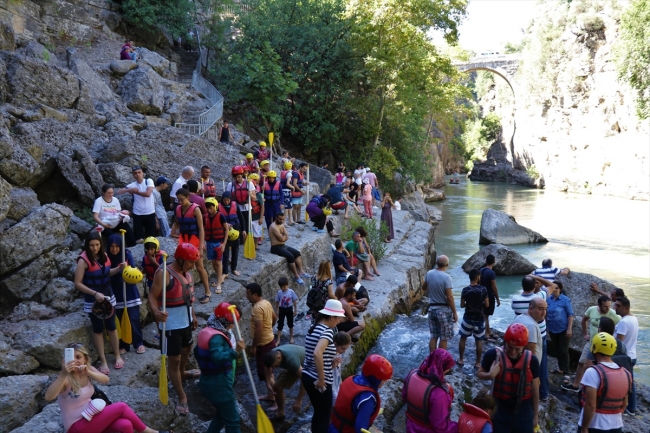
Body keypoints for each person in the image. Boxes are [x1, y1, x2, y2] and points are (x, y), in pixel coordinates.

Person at [45, 343, 169, 433]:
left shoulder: (88, 371)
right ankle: (150, 432)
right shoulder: (65, 378)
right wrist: (63, 373)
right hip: (76, 427)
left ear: (85, 359)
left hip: (92, 418)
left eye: (78, 357)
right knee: (121, 406)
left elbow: (106, 379)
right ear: (65, 360)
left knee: (126, 425)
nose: (75, 361)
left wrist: (89, 372)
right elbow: (49, 397)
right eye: (72, 358)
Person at [148, 242, 200, 416]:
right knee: (174, 360)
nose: (193, 266)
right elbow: (152, 297)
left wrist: (193, 315)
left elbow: (188, 298)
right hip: (170, 325)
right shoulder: (164, 274)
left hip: (185, 321)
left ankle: (183, 373)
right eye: (190, 262)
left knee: (187, 350)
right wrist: (156, 311)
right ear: (180, 259)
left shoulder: (188, 275)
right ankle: (181, 395)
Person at [74, 231, 125, 374]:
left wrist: (119, 268)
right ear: (87, 245)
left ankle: (117, 355)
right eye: (91, 245)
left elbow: (106, 273)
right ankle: (103, 360)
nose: (95, 248)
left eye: (97, 245)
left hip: (108, 295)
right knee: (97, 329)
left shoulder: (105, 256)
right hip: (93, 299)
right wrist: (95, 293)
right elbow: (78, 283)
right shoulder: (83, 261)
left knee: (112, 326)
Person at [477, 324, 540, 433]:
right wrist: (490, 375)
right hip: (499, 408)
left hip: (523, 409)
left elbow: (535, 389)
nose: (513, 351)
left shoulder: (532, 361)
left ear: (524, 346)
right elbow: (480, 373)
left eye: (517, 349)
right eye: (510, 347)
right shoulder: (493, 355)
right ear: (505, 341)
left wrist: (535, 415)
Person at [195, 303, 246, 433]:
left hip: (207, 381)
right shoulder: (217, 337)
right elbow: (218, 357)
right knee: (233, 421)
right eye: (232, 323)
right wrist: (236, 351)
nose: (233, 326)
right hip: (219, 385)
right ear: (224, 321)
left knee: (222, 415)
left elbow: (197, 353)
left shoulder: (206, 331)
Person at [303, 299, 346, 433]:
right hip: (318, 380)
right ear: (332, 317)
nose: (339, 321)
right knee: (324, 415)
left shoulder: (314, 328)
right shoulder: (327, 331)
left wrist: (330, 364)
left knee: (318, 413)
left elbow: (316, 354)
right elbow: (317, 353)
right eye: (338, 318)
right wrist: (322, 379)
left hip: (307, 375)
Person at [562, 295, 621, 393]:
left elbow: (621, 325)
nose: (608, 309)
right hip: (592, 342)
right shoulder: (592, 310)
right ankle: (576, 385)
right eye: (605, 306)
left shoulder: (613, 314)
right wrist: (585, 334)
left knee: (590, 366)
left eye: (609, 306)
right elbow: (584, 320)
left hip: (604, 346)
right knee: (581, 363)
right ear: (599, 305)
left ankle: (590, 389)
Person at [578, 333, 632, 433]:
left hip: (594, 426)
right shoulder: (626, 373)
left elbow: (590, 405)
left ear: (594, 348)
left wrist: (584, 428)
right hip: (616, 426)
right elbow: (625, 404)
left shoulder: (592, 372)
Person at [329, 354, 392, 433]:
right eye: (383, 380)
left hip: (333, 427)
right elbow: (360, 428)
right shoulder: (368, 398)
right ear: (375, 379)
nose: (385, 382)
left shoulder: (352, 379)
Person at [171, 188, 211, 304]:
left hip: (195, 240)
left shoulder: (196, 209)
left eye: (182, 199)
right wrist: (172, 234)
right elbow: (176, 222)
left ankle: (208, 292)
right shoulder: (178, 208)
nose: (180, 202)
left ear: (188, 197)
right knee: (182, 266)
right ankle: (184, 292)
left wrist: (200, 247)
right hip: (184, 241)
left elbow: (201, 229)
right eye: (178, 200)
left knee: (199, 267)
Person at [402, 348, 457, 433]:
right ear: (444, 368)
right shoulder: (440, 393)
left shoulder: (412, 374)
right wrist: (458, 427)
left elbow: (404, 397)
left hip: (410, 426)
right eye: (448, 367)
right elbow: (439, 425)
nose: (449, 369)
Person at [106, 234, 144, 355]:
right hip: (116, 292)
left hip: (129, 291)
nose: (114, 249)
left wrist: (126, 269)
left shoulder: (126, 254)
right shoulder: (106, 257)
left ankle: (138, 343)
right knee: (120, 318)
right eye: (112, 246)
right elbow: (106, 273)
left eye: (117, 246)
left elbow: (133, 269)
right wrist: (117, 270)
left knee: (134, 318)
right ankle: (124, 345)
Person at [512, 276, 548, 401]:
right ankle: (541, 396)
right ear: (531, 309)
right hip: (530, 370)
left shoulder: (519, 314)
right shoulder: (532, 325)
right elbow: (531, 354)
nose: (543, 313)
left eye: (545, 309)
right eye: (540, 309)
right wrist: (534, 376)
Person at [245, 283, 277, 402]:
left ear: (255, 294)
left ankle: (277, 398)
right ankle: (271, 395)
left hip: (263, 344)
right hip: (270, 340)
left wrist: (253, 347)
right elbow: (274, 317)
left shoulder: (257, 308)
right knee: (269, 372)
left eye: (248, 294)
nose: (246, 296)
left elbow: (258, 328)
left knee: (266, 372)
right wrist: (269, 328)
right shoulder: (266, 303)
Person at [422, 255, 457, 351]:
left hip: (431, 309)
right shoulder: (446, 277)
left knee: (434, 336)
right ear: (447, 265)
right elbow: (449, 297)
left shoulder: (429, 273)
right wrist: (455, 312)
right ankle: (440, 361)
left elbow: (424, 287)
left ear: (436, 263)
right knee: (444, 338)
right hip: (443, 310)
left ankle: (432, 359)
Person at [263, 344, 307, 422]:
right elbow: (267, 367)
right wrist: (268, 384)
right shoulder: (272, 355)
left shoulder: (291, 360)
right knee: (277, 386)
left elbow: (304, 379)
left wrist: (299, 400)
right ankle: (281, 413)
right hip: (295, 363)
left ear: (279, 358)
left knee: (311, 385)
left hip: (307, 365)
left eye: (275, 365)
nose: (274, 368)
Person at [457, 269, 489, 368]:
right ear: (476, 277)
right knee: (479, 341)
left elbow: (462, 305)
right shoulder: (483, 289)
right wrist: (480, 304)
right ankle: (478, 363)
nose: (480, 278)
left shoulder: (465, 290)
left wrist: (469, 304)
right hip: (479, 319)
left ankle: (461, 359)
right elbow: (487, 305)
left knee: (463, 338)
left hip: (467, 318)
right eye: (479, 277)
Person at [116, 166, 156, 242]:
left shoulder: (149, 181)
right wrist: (130, 189)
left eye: (139, 172)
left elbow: (148, 194)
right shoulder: (132, 185)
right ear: (133, 175)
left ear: (143, 173)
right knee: (138, 238)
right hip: (138, 214)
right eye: (135, 173)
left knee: (151, 237)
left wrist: (135, 191)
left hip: (150, 213)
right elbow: (119, 192)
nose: (137, 174)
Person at [269, 212, 311, 285]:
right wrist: (284, 237)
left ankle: (301, 271)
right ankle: (296, 276)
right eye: (280, 219)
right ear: (276, 218)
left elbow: (286, 236)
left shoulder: (281, 225)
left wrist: (283, 237)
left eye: (282, 219)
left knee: (297, 253)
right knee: (290, 256)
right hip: (275, 247)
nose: (281, 221)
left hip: (283, 245)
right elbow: (282, 238)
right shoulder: (273, 227)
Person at [613, 296, 638, 415]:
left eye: (618, 306)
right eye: (615, 304)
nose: (615, 307)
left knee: (625, 383)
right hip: (631, 355)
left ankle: (629, 407)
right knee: (630, 382)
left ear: (626, 308)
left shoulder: (624, 322)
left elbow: (619, 343)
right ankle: (631, 407)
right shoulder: (633, 318)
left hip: (624, 357)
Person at [544, 280, 574, 375]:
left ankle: (566, 371)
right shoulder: (548, 299)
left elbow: (570, 315)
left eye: (557, 288)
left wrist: (569, 328)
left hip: (563, 329)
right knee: (556, 349)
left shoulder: (565, 300)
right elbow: (545, 313)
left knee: (563, 350)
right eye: (553, 288)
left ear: (560, 289)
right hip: (552, 328)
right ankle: (560, 368)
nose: (555, 290)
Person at [204, 197, 229, 295]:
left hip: (219, 242)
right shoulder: (205, 217)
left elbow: (226, 229)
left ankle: (219, 284)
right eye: (208, 208)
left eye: (211, 208)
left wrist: (224, 244)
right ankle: (220, 278)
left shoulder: (221, 216)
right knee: (213, 262)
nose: (209, 210)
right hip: (209, 242)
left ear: (215, 207)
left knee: (218, 263)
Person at [219, 191, 246, 280]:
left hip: (236, 231)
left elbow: (241, 218)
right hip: (225, 233)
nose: (226, 202)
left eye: (228, 200)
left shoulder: (235, 205)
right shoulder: (218, 207)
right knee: (225, 253)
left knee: (235, 251)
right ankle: (225, 271)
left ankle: (233, 268)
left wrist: (244, 230)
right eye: (225, 200)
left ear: (230, 200)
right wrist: (225, 224)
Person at [227, 166, 255, 239]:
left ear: (242, 175)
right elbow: (228, 198)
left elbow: (254, 199)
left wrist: (251, 195)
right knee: (238, 226)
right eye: (235, 177)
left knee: (247, 227)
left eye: (239, 177)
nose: (237, 179)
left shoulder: (249, 183)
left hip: (247, 208)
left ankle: (247, 241)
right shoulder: (231, 185)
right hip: (236, 209)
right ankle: (238, 242)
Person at [479, 254, 500, 341]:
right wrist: (498, 298)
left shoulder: (481, 270)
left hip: (481, 295)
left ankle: (488, 331)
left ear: (486, 261)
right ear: (494, 262)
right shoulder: (491, 273)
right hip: (489, 296)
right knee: (486, 315)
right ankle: (486, 333)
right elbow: (493, 287)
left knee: (485, 314)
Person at [275, 277, 299, 345]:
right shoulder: (279, 293)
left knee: (290, 324)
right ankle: (278, 339)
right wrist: (277, 311)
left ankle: (291, 337)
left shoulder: (291, 292)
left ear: (287, 284)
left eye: (284, 286)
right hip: (282, 309)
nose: (283, 288)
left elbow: (294, 301)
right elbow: (277, 302)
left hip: (289, 309)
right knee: (280, 324)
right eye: (281, 287)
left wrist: (295, 310)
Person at [331, 332, 352, 403]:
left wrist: (341, 384)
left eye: (346, 349)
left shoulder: (339, 353)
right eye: (343, 348)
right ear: (335, 344)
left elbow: (339, 371)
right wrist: (332, 366)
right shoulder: (330, 355)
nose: (344, 351)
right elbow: (323, 371)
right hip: (331, 385)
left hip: (337, 383)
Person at [246, 173, 265, 247]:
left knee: (256, 233)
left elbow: (262, 206)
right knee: (248, 232)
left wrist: (261, 218)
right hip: (248, 217)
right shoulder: (244, 194)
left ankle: (255, 246)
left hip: (256, 217)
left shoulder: (258, 194)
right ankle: (249, 246)